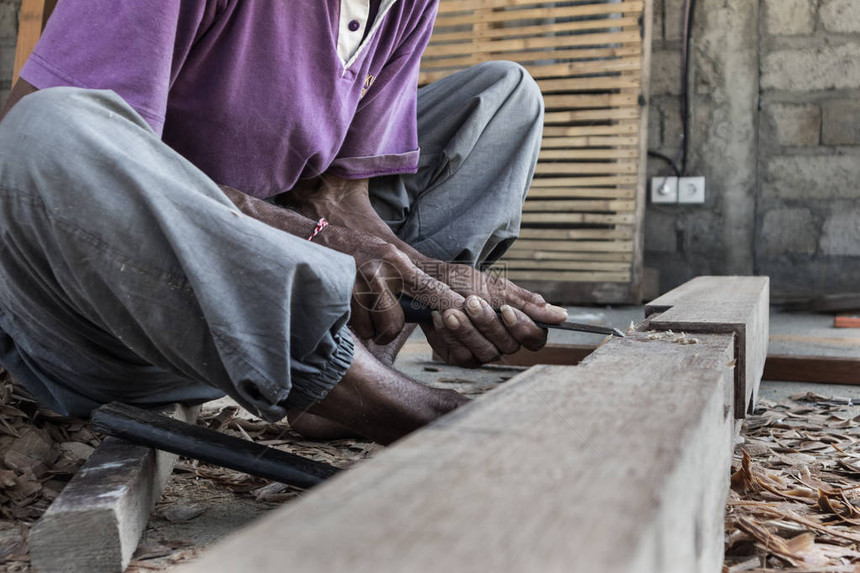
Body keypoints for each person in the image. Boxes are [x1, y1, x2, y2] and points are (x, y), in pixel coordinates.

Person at [0, 0, 567, 445]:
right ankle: (391, 405)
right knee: (47, 126)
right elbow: (36, 161)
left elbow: (339, 198)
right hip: (133, 319)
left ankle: (366, 368)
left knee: (503, 96)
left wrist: (433, 280)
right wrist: (309, 238)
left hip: (266, 318)